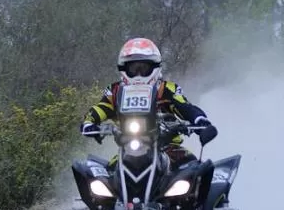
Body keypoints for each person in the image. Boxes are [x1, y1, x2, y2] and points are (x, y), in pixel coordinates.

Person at [80, 37, 218, 169]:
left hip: (169, 147)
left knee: (195, 169)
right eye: (134, 69)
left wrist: (199, 119)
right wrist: (89, 122)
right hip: (129, 150)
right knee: (108, 174)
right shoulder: (115, 91)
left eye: (144, 68)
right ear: (124, 69)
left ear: (155, 67)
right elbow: (102, 107)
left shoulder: (166, 88)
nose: (139, 74)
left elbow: (184, 106)